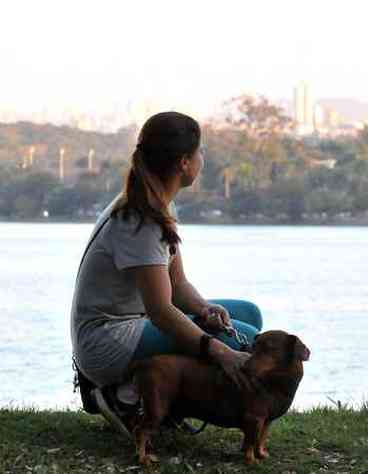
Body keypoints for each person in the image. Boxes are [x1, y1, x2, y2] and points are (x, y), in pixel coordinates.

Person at [70, 112, 261, 437]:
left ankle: (152, 395)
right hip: (107, 341)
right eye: (200, 152)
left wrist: (203, 308)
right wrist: (219, 350)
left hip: (135, 322)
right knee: (234, 339)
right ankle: (124, 396)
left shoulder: (159, 205)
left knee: (248, 316)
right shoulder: (141, 219)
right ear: (184, 162)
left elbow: (178, 285)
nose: (203, 159)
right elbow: (161, 312)